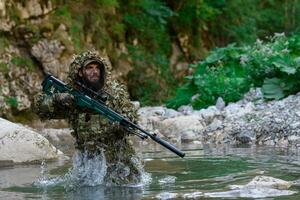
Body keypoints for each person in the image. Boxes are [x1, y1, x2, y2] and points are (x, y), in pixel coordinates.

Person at [35, 51, 143, 185]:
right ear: (80, 72)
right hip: (88, 165)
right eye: (89, 68)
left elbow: (131, 118)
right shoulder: (71, 96)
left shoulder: (114, 94)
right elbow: (41, 110)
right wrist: (57, 99)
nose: (95, 71)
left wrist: (120, 126)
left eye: (98, 68)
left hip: (119, 163)